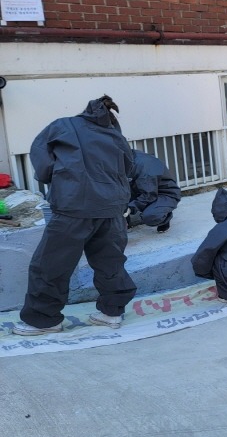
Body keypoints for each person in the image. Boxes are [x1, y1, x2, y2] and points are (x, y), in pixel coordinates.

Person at [12, 96, 137, 336]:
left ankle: (44, 320)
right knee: (110, 261)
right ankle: (112, 313)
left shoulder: (63, 125)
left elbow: (41, 157)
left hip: (74, 206)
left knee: (51, 264)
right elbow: (129, 167)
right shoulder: (114, 135)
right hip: (111, 208)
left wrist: (57, 178)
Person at [126, 149, 182, 233]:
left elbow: (148, 194)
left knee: (151, 216)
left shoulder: (143, 164)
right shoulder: (125, 159)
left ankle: (165, 217)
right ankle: (127, 221)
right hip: (142, 191)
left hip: (164, 194)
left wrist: (130, 208)